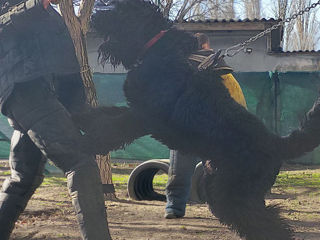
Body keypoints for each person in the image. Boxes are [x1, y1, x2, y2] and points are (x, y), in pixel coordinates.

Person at [0, 0, 111, 239]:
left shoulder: (50, 12)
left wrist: (76, 107)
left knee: (23, 178)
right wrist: (34, 5)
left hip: (46, 94)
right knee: (80, 162)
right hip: (25, 89)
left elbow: (63, 61)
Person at [165, 32, 247, 219]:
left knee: (180, 168)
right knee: (217, 169)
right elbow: (237, 99)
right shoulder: (222, 70)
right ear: (204, 47)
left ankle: (175, 207)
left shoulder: (182, 68)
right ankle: (222, 207)